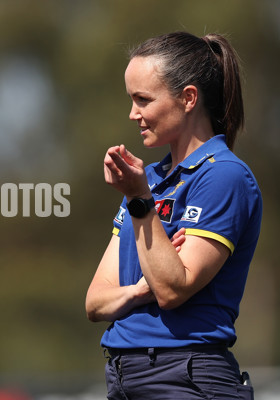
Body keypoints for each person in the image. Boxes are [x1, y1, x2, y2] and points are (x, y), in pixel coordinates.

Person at [85, 31, 261, 399]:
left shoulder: (224, 175)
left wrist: (138, 201)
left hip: (184, 376)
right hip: (122, 375)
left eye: (143, 100)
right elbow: (96, 302)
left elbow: (171, 289)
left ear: (189, 98)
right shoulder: (147, 181)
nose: (133, 114)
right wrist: (139, 289)